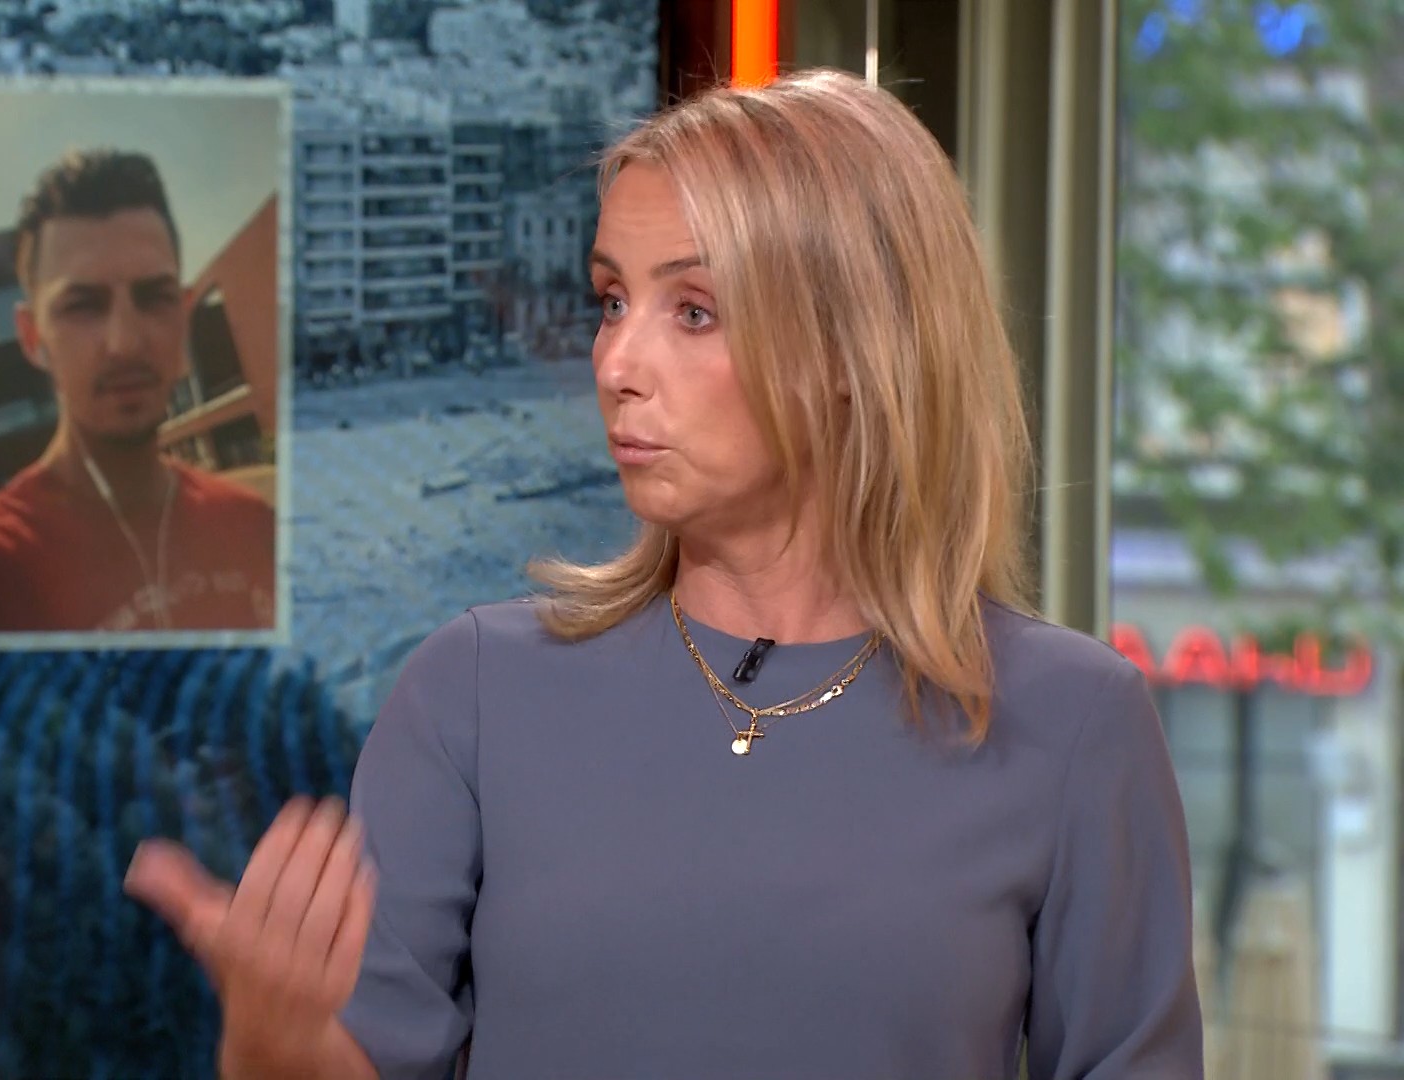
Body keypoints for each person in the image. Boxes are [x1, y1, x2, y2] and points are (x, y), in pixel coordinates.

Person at [125, 70, 1203, 1079]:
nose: (615, 363)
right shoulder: (475, 693)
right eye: (611, 300)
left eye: (693, 310)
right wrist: (269, 1053)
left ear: (854, 350)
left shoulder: (1073, 723)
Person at [0, 149, 275, 635]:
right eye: (83, 305)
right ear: (32, 337)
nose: (125, 342)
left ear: (184, 314)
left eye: (154, 297)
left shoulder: (252, 524)